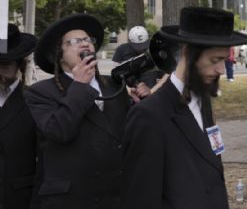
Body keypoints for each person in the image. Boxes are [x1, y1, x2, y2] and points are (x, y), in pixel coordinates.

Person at [122, 6, 247, 209]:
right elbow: (141, 199)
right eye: (215, 60)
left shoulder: (203, 101)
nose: (221, 70)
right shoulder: (149, 116)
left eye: (224, 60)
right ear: (187, 52)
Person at [28, 13, 130, 208]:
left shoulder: (114, 87)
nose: (85, 44)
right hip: (71, 199)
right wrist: (80, 86)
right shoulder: (40, 92)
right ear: (59, 56)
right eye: (75, 41)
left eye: (88, 40)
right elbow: (59, 131)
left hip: (114, 197)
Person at [0, 24, 38, 209]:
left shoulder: (33, 100)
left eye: (7, 64)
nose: (1, 70)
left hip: (18, 198)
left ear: (20, 64)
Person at [111, 25, 160, 101]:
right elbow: (116, 72)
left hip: (150, 89)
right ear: (130, 41)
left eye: (144, 44)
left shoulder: (152, 48)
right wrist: (128, 90)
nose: (141, 49)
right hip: (130, 89)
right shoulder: (121, 49)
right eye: (138, 45)